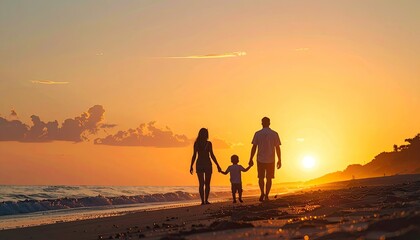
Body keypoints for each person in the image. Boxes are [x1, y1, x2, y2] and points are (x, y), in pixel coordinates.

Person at [249, 117, 282, 202]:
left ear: (262, 123)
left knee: (260, 178)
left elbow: (254, 147)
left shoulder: (257, 133)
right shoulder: (274, 133)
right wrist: (279, 159)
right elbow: (277, 148)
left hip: (260, 159)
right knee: (269, 178)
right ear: (269, 123)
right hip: (271, 159)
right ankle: (266, 195)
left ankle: (262, 193)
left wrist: (250, 159)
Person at [190, 128, 222, 205]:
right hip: (207, 164)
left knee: (201, 184)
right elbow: (212, 155)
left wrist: (191, 166)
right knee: (207, 184)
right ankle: (206, 200)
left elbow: (194, 155)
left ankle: (203, 201)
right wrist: (217, 165)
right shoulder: (208, 143)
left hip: (199, 164)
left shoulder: (196, 143)